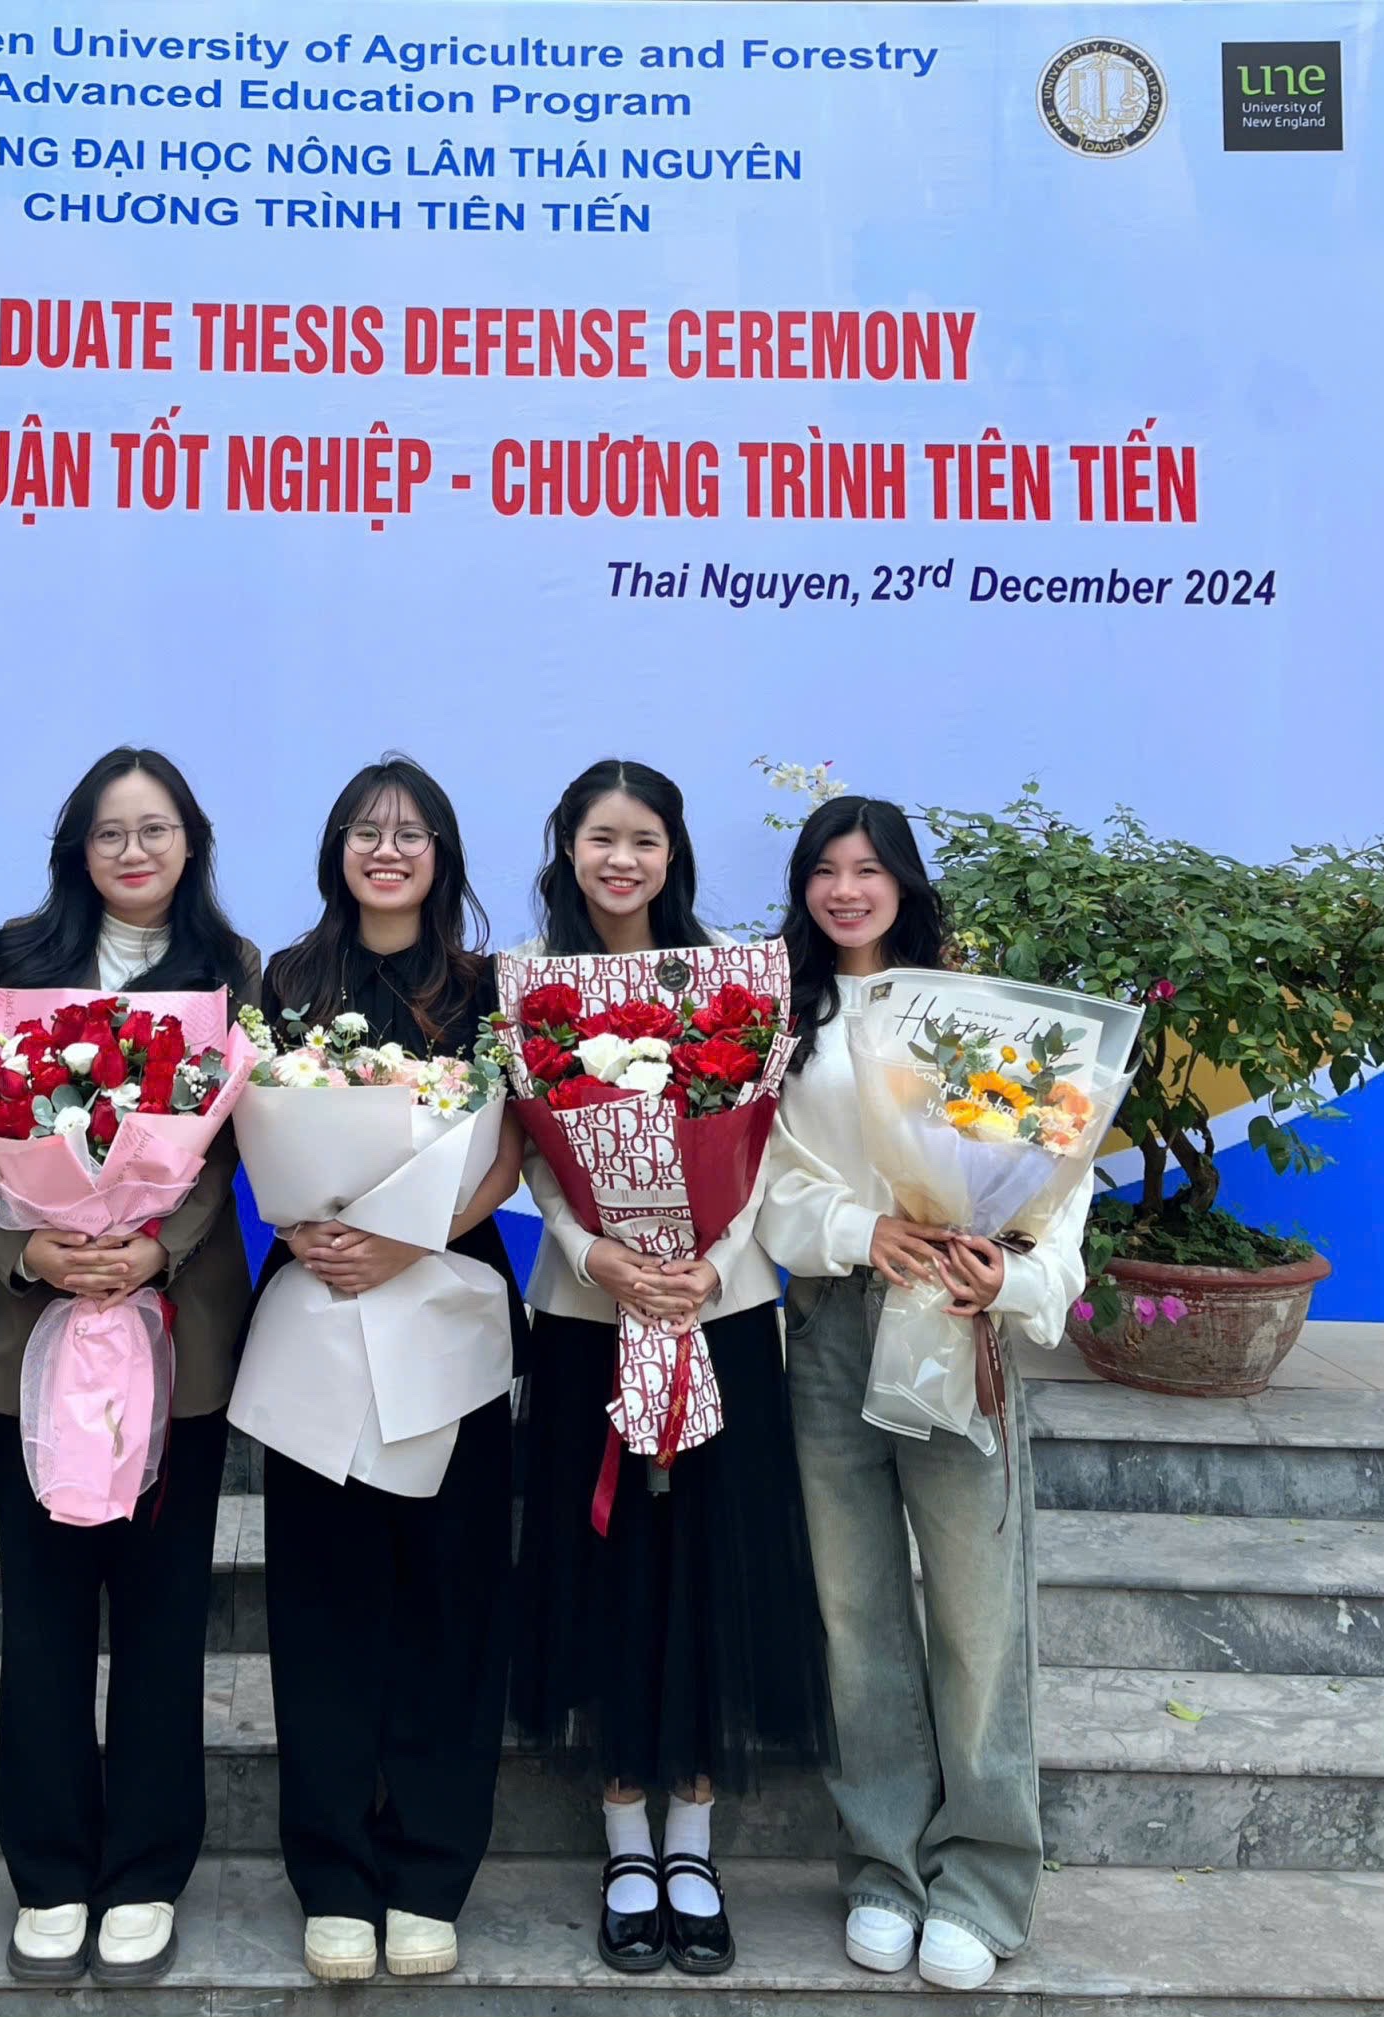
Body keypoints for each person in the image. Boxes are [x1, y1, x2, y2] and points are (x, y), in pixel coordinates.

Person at [757, 795, 1087, 1993]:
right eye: (823, 869)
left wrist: (1014, 1276)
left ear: (903, 881)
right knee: (852, 1610)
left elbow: (1057, 1177)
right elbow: (758, 1183)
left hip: (955, 1322)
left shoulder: (976, 1015)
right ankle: (882, 1864)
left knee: (974, 1612)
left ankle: (982, 1877)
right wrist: (859, 1229)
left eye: (867, 868)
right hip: (831, 1329)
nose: (844, 889)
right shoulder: (781, 1020)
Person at [508, 759, 832, 1975]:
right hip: (588, 1315)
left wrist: (707, 1261)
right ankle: (621, 1840)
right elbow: (531, 1150)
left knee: (709, 1560)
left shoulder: (731, 985)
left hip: (717, 1311)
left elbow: (763, 1144)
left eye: (642, 839)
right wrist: (594, 1251)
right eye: (601, 837)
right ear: (568, 848)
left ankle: (690, 1843)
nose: (621, 860)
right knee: (605, 1567)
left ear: (671, 853)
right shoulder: (530, 993)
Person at [0, 747, 260, 1987]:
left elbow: (235, 1145)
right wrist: (32, 1246)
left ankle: (143, 1869)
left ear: (192, 843)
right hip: (33, 1334)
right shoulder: (11, 965)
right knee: (45, 1608)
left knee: (164, 1610)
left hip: (175, 1338)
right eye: (111, 832)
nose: (134, 852)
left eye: (156, 829)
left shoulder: (234, 974)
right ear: (77, 847)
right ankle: (47, 1869)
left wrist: (151, 1248)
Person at [252, 755, 527, 1984]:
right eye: (364, 831)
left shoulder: (487, 989)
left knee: (448, 1600)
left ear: (442, 856)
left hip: (447, 1301)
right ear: (335, 850)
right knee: (322, 1602)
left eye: (410, 833)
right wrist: (307, 1225)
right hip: (319, 1303)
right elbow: (249, 1131)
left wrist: (412, 1232)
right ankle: (331, 1875)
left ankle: (427, 1872)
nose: (386, 850)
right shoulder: (286, 981)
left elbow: (512, 1148)